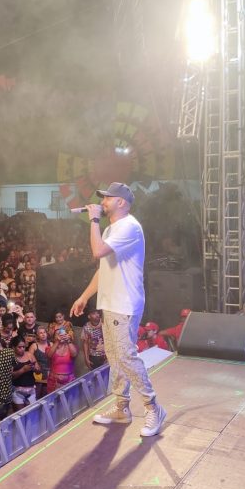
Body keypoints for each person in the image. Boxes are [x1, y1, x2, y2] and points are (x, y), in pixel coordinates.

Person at [70, 182, 166, 437]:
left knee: (126, 356)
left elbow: (97, 251)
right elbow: (104, 269)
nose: (102, 202)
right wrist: (84, 296)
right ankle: (122, 408)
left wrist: (93, 221)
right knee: (115, 359)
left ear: (121, 202)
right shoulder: (115, 228)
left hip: (124, 303)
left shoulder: (129, 226)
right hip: (111, 303)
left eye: (107, 198)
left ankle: (153, 407)